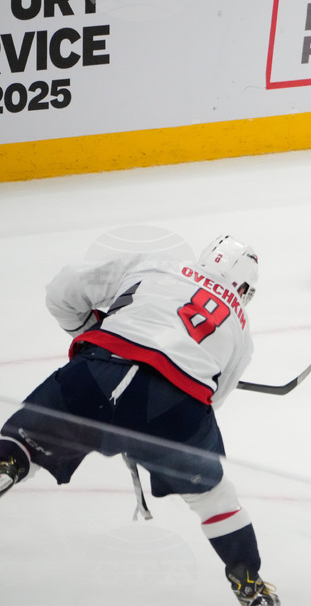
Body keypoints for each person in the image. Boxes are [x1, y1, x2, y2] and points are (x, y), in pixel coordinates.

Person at [0, 235, 280, 605]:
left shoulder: (157, 265)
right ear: (243, 287)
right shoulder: (241, 330)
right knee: (214, 496)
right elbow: (213, 399)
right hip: (174, 408)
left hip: (98, 371)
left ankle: (11, 461)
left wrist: (90, 334)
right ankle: (248, 580)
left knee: (26, 439)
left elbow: (63, 288)